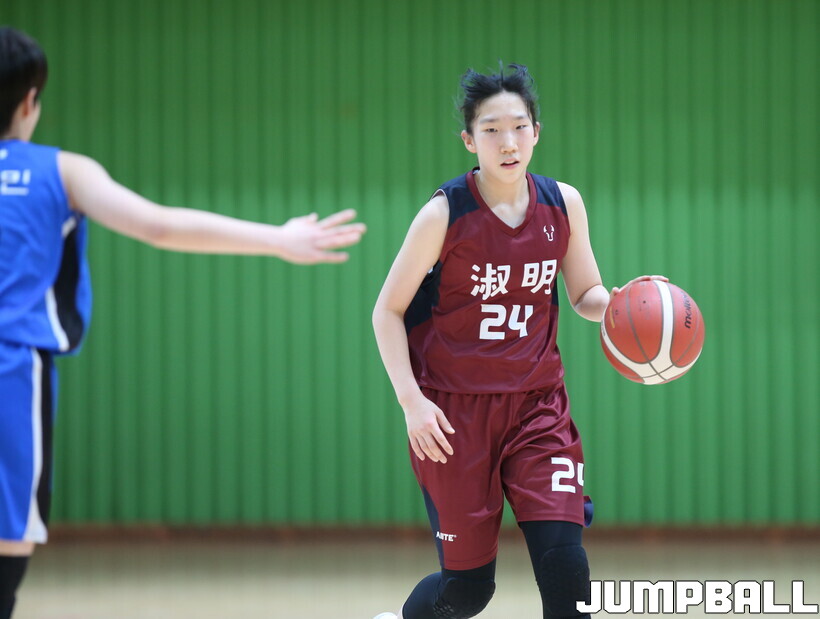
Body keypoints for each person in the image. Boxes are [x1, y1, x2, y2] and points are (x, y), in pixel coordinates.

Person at [0, 26, 365, 618]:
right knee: (7, 540)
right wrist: (277, 238)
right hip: (12, 371)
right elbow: (158, 225)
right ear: (29, 102)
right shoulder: (60, 171)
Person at [372, 63, 664, 619]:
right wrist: (412, 403)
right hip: (455, 417)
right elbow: (386, 311)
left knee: (566, 573)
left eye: (519, 127)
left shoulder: (562, 203)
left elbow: (584, 293)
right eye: (491, 130)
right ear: (469, 140)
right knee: (467, 592)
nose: (508, 142)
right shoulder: (444, 214)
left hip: (538, 408)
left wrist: (621, 305)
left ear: (536, 132)